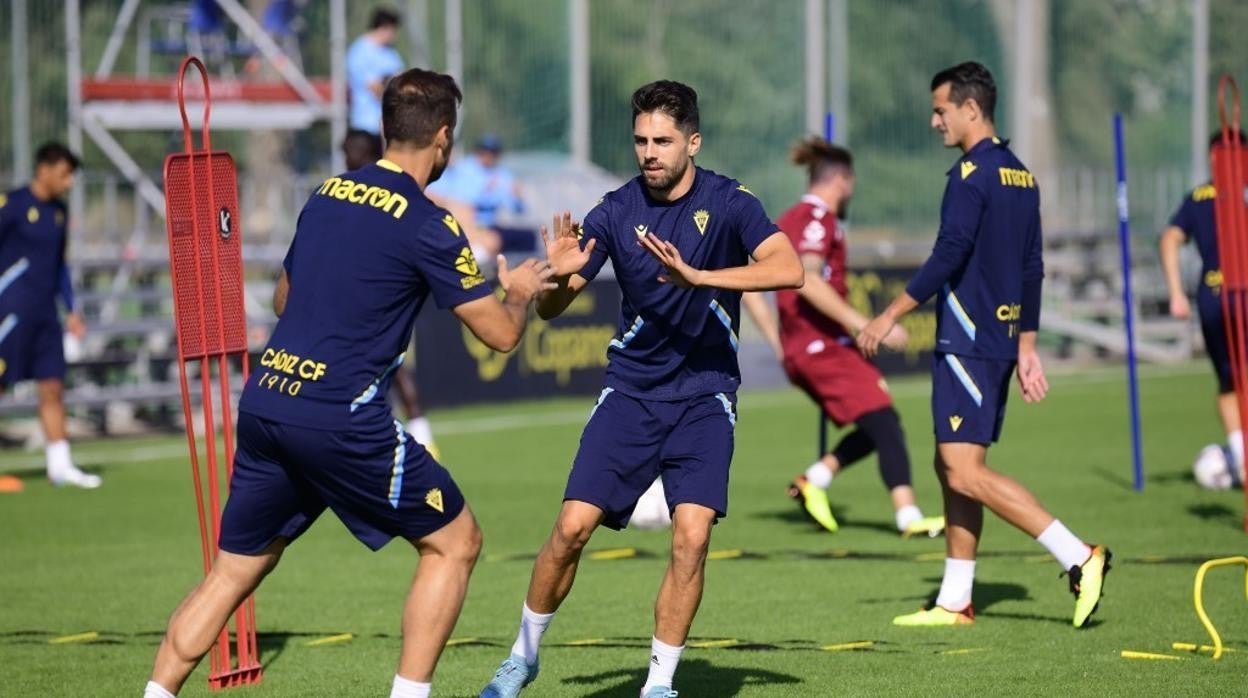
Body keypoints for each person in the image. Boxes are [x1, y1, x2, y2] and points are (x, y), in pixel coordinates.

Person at [143, 68, 560, 698]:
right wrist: (521, 291)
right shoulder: (429, 222)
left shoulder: (327, 194)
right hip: (338, 416)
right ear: (443, 138)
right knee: (456, 542)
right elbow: (500, 335)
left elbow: (285, 300)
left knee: (229, 575)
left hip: (266, 401)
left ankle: (156, 693)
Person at [480, 80, 803, 698]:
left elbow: (789, 269)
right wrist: (549, 280)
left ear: (692, 142)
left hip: (706, 394)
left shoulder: (731, 202)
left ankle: (659, 684)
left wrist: (700, 275)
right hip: (630, 392)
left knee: (692, 535)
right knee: (572, 528)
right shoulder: (615, 209)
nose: (649, 152)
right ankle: (522, 656)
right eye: (640, 140)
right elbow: (553, 309)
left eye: (662, 140)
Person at [857, 62, 1110, 628]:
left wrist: (887, 315)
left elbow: (948, 254)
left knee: (962, 469)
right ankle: (956, 599)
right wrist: (1027, 347)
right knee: (952, 468)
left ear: (972, 109)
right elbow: (1033, 268)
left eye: (941, 109)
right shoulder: (1021, 175)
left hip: (969, 341)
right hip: (998, 341)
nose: (933, 120)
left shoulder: (971, 175)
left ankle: (1079, 556)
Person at [769, 137, 943, 538]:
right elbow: (806, 278)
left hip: (805, 348)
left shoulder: (788, 217)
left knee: (879, 425)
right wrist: (864, 324)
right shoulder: (817, 219)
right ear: (842, 180)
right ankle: (908, 517)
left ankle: (816, 478)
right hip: (822, 346)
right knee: (885, 424)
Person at [0, 142, 96, 490]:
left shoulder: (58, 213)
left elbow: (59, 267)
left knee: (53, 387)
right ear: (45, 169)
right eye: (64, 174)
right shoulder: (11, 206)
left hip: (44, 317)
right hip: (7, 314)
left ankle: (60, 467)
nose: (68, 182)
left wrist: (71, 308)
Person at [1159, 130, 1245, 479]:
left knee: (1229, 380)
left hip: (1213, 295)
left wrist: (1176, 292)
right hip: (1238, 290)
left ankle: (1241, 459)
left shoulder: (1198, 196)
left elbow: (1169, 237)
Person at [428, 134, 525, 229]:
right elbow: (460, 199)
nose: (488, 155)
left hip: (487, 225)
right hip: (461, 221)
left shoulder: (502, 174)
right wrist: (486, 192)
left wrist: (517, 197)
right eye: (484, 151)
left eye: (493, 152)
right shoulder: (464, 167)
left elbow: (517, 208)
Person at [346, 7, 404, 156]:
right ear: (384, 27)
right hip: (366, 126)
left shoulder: (391, 53)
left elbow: (401, 80)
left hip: (388, 126)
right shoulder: (360, 52)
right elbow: (375, 88)